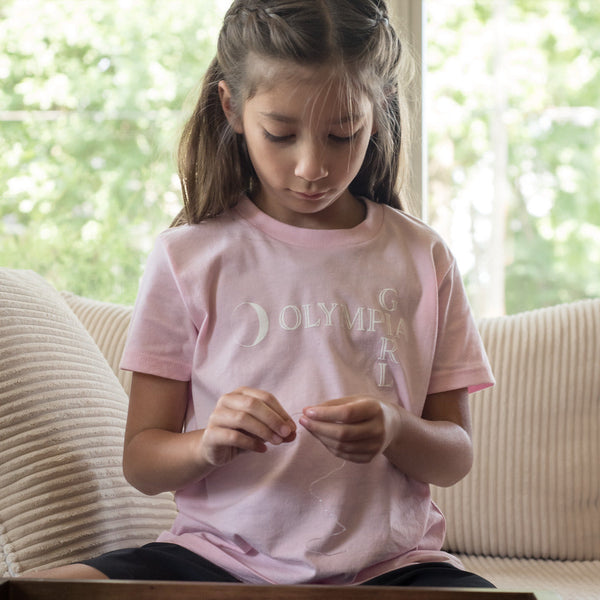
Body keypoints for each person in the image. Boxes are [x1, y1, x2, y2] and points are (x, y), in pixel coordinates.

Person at [29, 0, 496, 588]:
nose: (311, 166)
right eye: (281, 133)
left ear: (376, 113)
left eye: (341, 135)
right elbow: (143, 462)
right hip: (216, 560)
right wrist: (209, 443)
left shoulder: (422, 257)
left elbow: (456, 455)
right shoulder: (187, 258)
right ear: (232, 107)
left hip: (393, 569)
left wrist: (396, 430)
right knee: (41, 592)